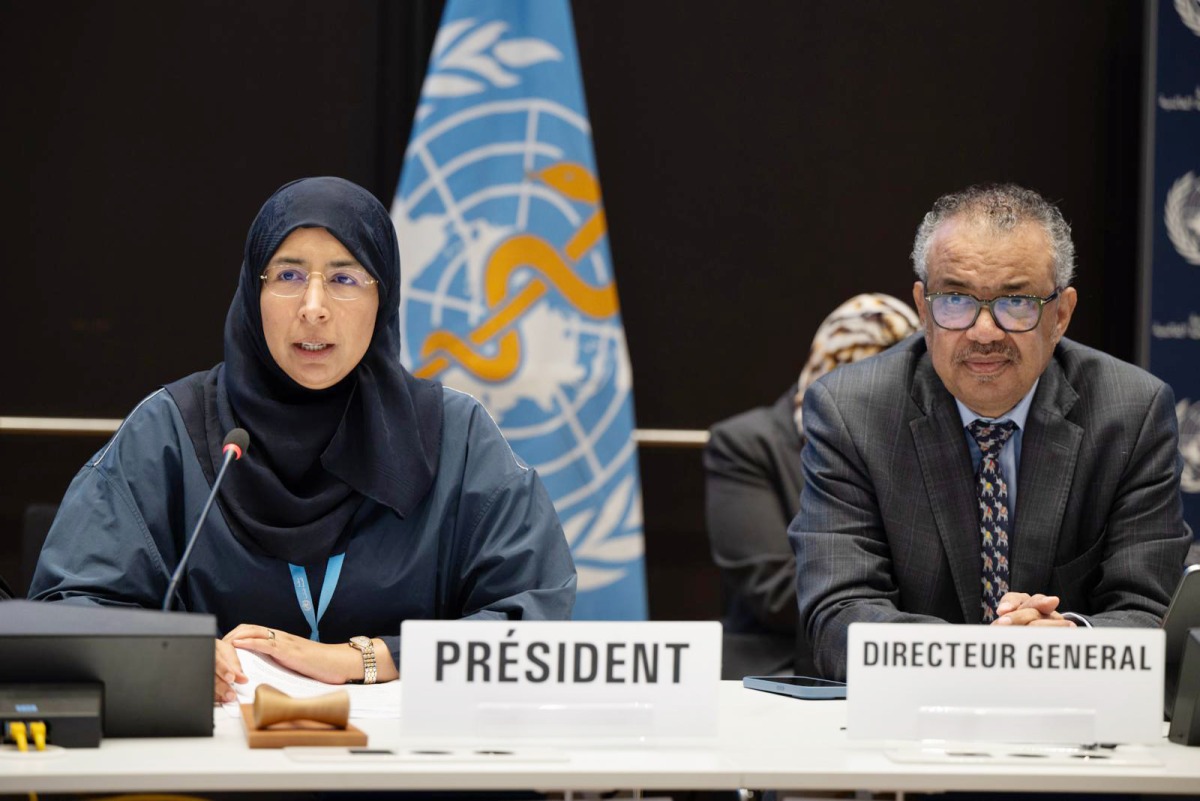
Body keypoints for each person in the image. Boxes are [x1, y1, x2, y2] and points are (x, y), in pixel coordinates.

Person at [29, 177, 576, 700]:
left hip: (405, 778)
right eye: (288, 276)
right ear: (252, 291)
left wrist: (369, 659)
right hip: (216, 773)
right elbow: (68, 609)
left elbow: (533, 622)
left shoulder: (455, 438)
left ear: (382, 299)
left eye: (344, 278)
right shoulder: (170, 431)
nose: (313, 307)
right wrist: (166, 653)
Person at [789, 183, 1192, 681]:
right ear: (923, 307)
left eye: (1016, 302)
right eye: (955, 299)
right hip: (904, 724)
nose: (984, 331)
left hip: (1071, 721)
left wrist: (1070, 639)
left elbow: (1152, 612)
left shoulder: (1131, 412)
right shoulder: (852, 411)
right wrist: (993, 654)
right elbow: (839, 614)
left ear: (1061, 314)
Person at [704, 294, 919, 678]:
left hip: (890, 661)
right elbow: (770, 588)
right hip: (776, 669)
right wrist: (867, 608)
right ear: (833, 368)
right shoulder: (746, 444)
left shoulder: (908, 443)